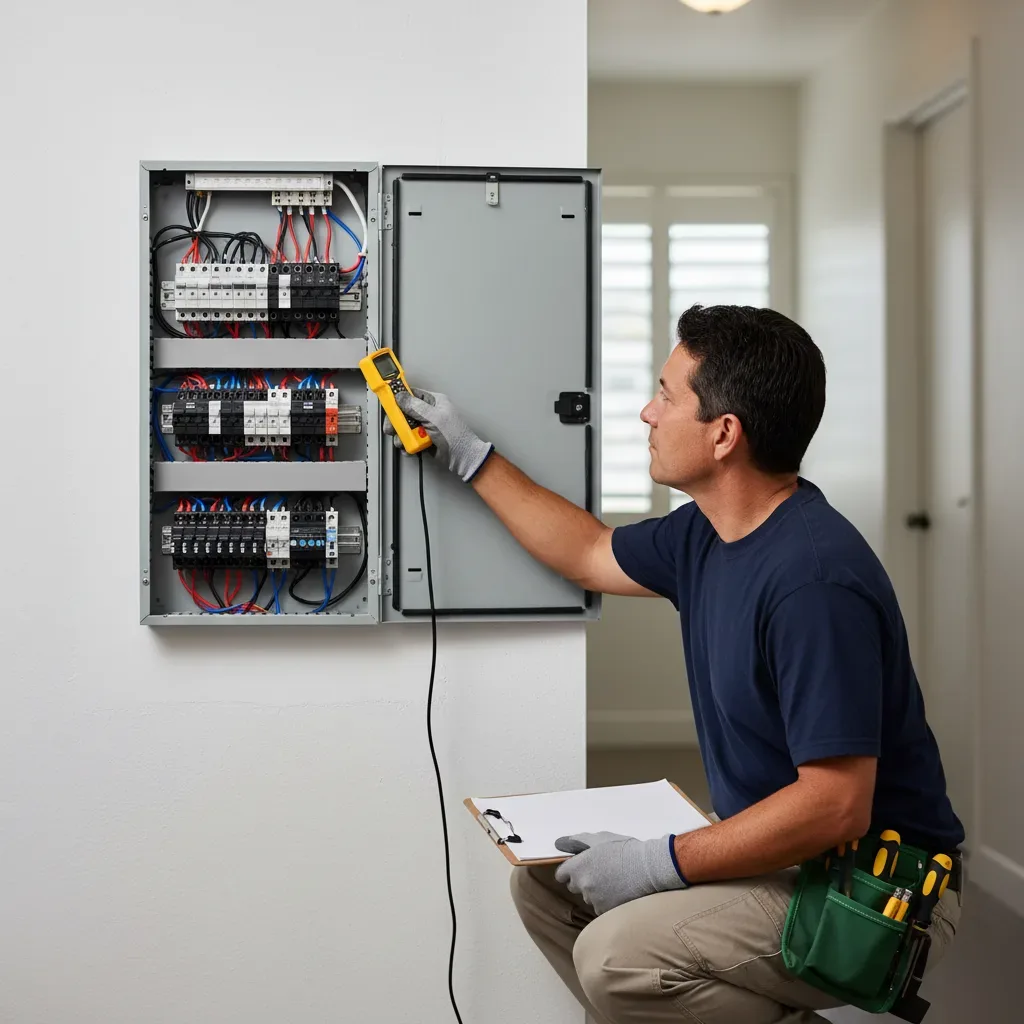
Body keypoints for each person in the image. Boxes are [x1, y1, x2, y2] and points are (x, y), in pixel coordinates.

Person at [386, 304, 965, 1024]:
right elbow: (590, 553)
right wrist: (472, 456)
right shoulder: (707, 534)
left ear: (724, 434)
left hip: (875, 890)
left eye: (666, 394)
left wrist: (658, 862)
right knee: (546, 883)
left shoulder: (814, 583)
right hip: (789, 855)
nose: (646, 414)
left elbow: (835, 805)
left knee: (618, 958)